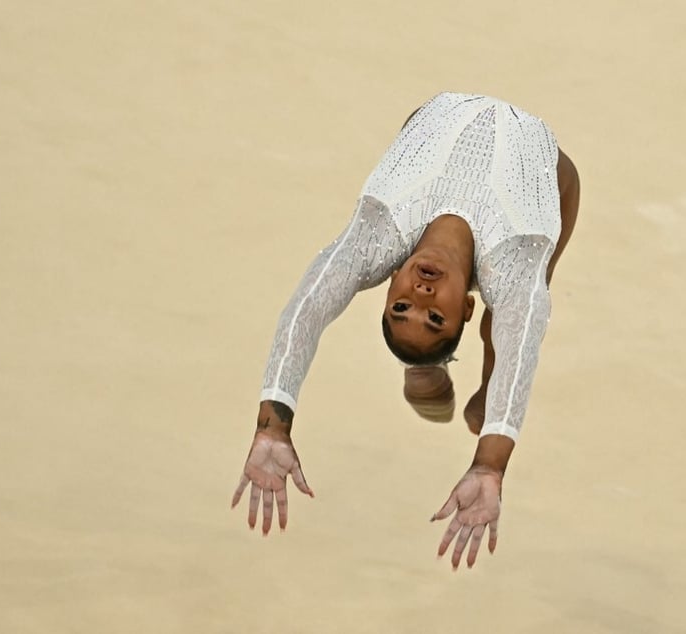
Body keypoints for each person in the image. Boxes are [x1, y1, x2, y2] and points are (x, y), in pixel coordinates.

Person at [231, 91, 581, 570]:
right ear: (463, 309)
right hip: (549, 184)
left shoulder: (377, 235)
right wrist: (489, 464)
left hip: (433, 123)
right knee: (517, 316)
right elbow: (520, 361)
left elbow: (305, 310)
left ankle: (427, 360)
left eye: (402, 306)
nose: (421, 295)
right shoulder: (514, 259)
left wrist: (273, 425)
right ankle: (442, 365)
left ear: (388, 276)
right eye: (434, 315)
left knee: (511, 316)